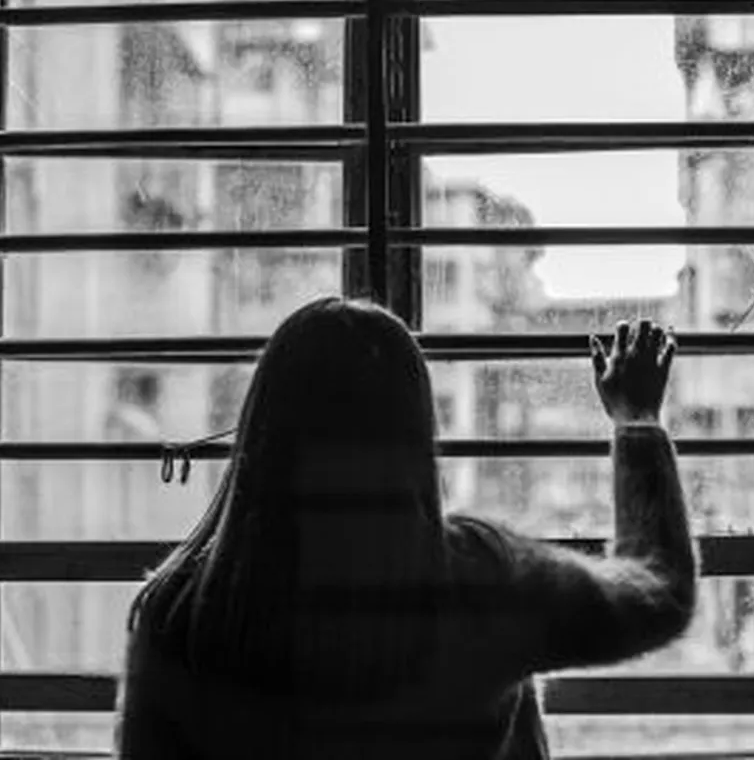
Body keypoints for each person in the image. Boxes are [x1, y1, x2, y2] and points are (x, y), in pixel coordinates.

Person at [115, 296, 697, 759]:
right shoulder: (481, 582)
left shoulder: (176, 618)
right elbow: (660, 591)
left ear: (261, 431)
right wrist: (638, 423)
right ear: (415, 431)